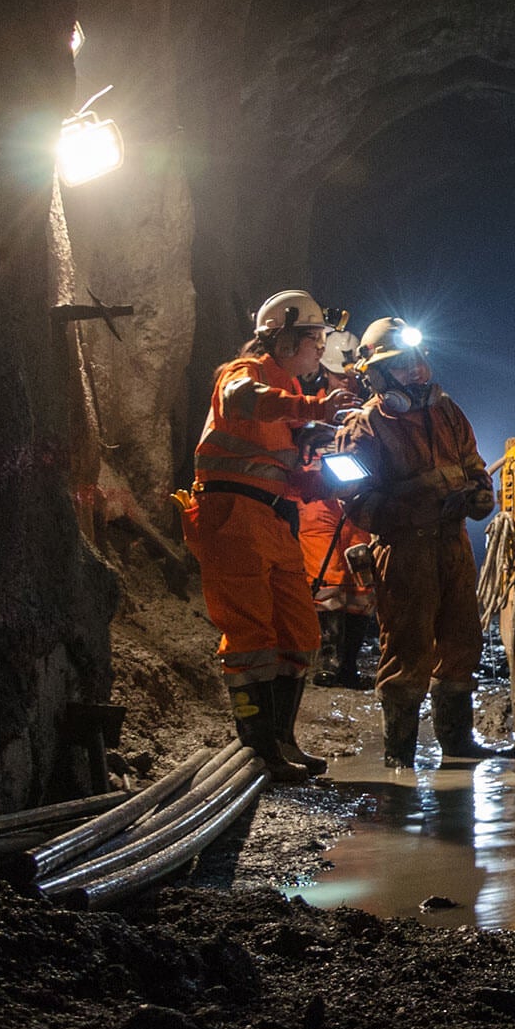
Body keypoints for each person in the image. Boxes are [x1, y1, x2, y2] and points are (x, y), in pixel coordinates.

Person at [184, 289, 351, 782]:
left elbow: (288, 477)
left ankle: (281, 739)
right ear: (281, 338)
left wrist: (337, 483)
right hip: (231, 515)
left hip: (274, 519)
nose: (320, 348)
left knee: (299, 633)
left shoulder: (293, 399)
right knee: (251, 634)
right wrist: (317, 411)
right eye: (313, 338)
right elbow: (243, 402)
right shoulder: (245, 374)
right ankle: (258, 749)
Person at [330, 318, 509, 766]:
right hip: (404, 552)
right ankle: (400, 756)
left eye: (418, 363)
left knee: (462, 639)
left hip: (452, 547)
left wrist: (479, 493)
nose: (418, 374)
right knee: (406, 650)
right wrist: (418, 506)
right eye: (404, 366)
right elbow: (355, 501)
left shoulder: (448, 413)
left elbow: (473, 463)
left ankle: (457, 743)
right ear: (377, 375)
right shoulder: (362, 427)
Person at [296, 329, 377, 688]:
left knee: (360, 581)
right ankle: (326, 661)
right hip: (319, 500)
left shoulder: (371, 405)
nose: (345, 379)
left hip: (360, 499)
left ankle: (348, 664)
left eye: (349, 373)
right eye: (338, 373)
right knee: (325, 580)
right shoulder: (307, 401)